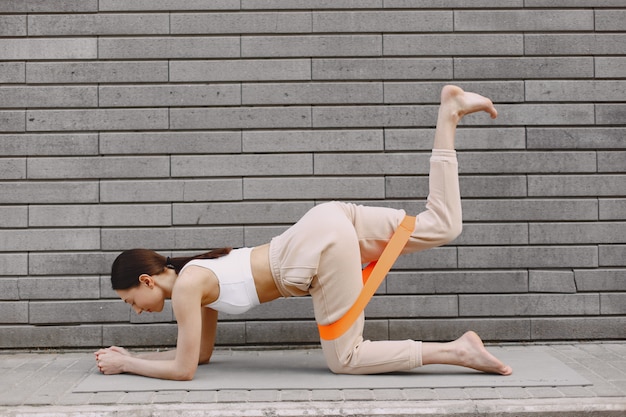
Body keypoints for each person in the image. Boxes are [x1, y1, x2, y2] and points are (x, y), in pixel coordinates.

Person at [95, 85, 513, 380]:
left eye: (131, 300)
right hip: (325, 223)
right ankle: (450, 113)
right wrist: (132, 355)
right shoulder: (195, 277)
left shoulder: (188, 286)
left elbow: (183, 371)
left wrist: (127, 364)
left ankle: (459, 351)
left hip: (314, 250)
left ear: (146, 280)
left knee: (346, 360)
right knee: (443, 224)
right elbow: (199, 355)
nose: (136, 309)